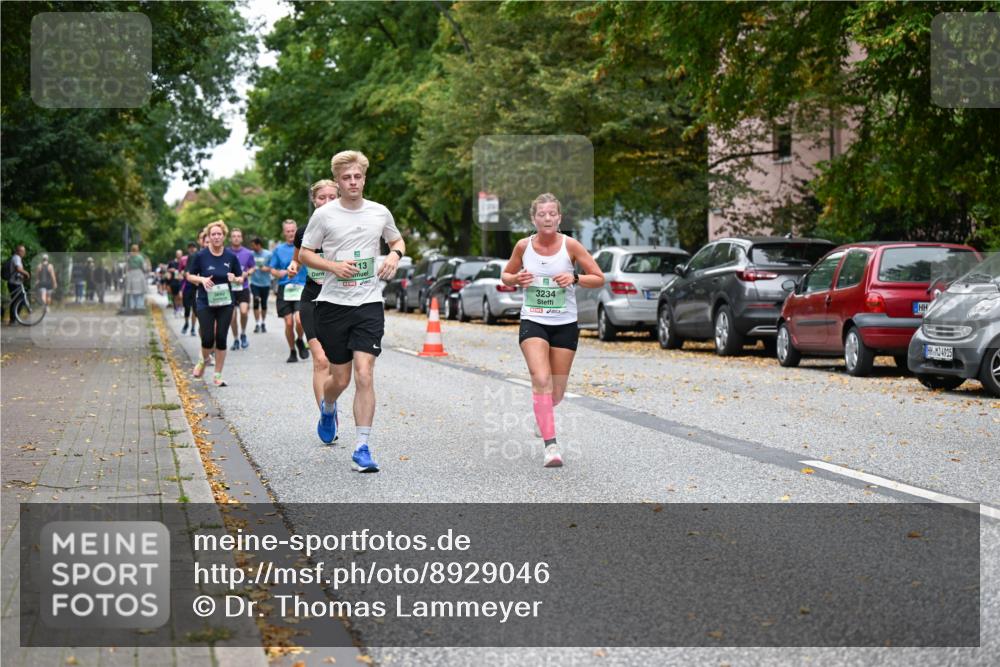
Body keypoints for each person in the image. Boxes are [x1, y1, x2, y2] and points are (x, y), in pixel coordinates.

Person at [299, 150, 405, 473]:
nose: (353, 182)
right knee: (340, 378)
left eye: (358, 176)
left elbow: (397, 240)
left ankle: (362, 446)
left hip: (369, 303)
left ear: (364, 178)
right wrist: (332, 265)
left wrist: (394, 257)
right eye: (347, 178)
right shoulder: (325, 216)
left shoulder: (379, 212)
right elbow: (304, 254)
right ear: (338, 181)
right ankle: (328, 407)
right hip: (333, 305)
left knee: (364, 373)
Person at [500, 193, 604, 468]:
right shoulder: (524, 246)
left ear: (559, 218)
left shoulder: (571, 246)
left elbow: (598, 278)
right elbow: (506, 275)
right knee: (541, 378)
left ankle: (542, 411)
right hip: (533, 320)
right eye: (541, 214)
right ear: (533, 219)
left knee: (556, 392)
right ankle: (551, 447)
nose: (547, 218)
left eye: (552, 214)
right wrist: (517, 279)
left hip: (565, 323)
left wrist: (575, 277)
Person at [294, 179, 338, 408]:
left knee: (336, 365)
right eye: (322, 197)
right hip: (312, 298)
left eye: (332, 197)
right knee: (321, 360)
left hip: (340, 301)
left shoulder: (347, 231)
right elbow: (298, 256)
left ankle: (330, 401)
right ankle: (326, 414)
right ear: (314, 200)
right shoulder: (304, 232)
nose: (327, 202)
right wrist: (294, 266)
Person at [185, 220, 243, 387]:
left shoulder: (231, 257)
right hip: (205, 302)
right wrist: (202, 279)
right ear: (208, 237)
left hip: (225, 302)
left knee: (221, 338)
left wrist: (235, 278)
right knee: (208, 338)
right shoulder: (200, 256)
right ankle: (203, 360)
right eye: (213, 234)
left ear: (224, 237)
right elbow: (189, 275)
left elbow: (240, 277)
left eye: (219, 234)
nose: (216, 237)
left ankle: (217, 375)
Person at [269, 220, 309, 363]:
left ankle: (300, 339)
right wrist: (277, 273)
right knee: (289, 323)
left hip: (301, 286)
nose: (291, 233)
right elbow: (272, 269)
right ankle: (292, 351)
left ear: (296, 231)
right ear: (284, 232)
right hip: (285, 288)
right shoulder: (279, 250)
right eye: (288, 231)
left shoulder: (305, 247)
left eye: (293, 230)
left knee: (299, 320)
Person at [226, 228, 256, 350]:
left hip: (243, 287)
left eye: (238, 236)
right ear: (230, 238)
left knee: (244, 312)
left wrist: (246, 273)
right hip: (230, 288)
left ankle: (243, 333)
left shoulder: (248, 253)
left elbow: (253, 267)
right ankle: (236, 339)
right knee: (232, 316)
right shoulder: (226, 252)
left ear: (242, 238)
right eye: (234, 236)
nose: (236, 238)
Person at [249, 237, 272, 333]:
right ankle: (257, 323)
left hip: (265, 283)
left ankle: (263, 323)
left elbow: (273, 266)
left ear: (258, 245)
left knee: (263, 304)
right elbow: (248, 265)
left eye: (253, 245)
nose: (252, 247)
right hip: (254, 282)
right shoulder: (251, 254)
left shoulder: (268, 254)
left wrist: (266, 268)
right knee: (256, 301)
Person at [6, 244, 30, 324]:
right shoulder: (17, 258)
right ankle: (13, 319)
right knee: (19, 301)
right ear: (19, 251)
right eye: (23, 251)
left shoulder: (16, 258)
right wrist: (26, 273)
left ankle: (13, 319)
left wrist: (22, 277)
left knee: (16, 301)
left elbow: (17, 271)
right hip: (14, 283)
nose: (24, 253)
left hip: (15, 282)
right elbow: (18, 269)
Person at [180, 240, 199, 336]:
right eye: (190, 247)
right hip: (187, 286)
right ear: (188, 249)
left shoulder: (198, 256)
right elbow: (184, 271)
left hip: (196, 286)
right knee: (187, 308)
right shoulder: (186, 258)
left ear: (196, 248)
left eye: (193, 247)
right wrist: (185, 274)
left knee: (195, 309)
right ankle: (186, 323)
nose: (192, 249)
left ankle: (192, 328)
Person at [125, 244, 149, 312]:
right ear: (138, 249)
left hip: (131, 274)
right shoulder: (140, 257)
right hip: (139, 273)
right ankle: (139, 306)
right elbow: (144, 267)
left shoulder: (129, 257)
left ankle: (132, 306)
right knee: (140, 291)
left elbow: (127, 266)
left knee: (131, 291)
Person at [168, 249, 184, 315]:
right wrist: (171, 270)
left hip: (182, 281)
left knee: (181, 296)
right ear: (176, 255)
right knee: (175, 296)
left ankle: (181, 308)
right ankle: (176, 309)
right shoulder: (172, 262)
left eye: (180, 254)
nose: (179, 255)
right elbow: (168, 270)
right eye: (178, 254)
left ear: (182, 254)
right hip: (174, 281)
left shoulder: (184, 261)